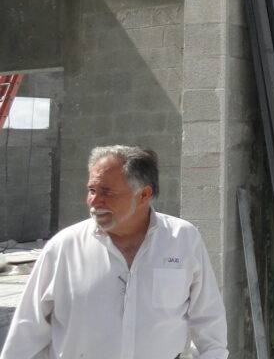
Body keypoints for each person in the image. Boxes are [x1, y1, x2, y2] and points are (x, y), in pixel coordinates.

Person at [1, 145, 228, 359]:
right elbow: (27, 329)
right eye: (91, 190)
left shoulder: (182, 239)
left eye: (107, 192)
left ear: (144, 195)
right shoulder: (63, 247)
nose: (94, 201)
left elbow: (208, 320)